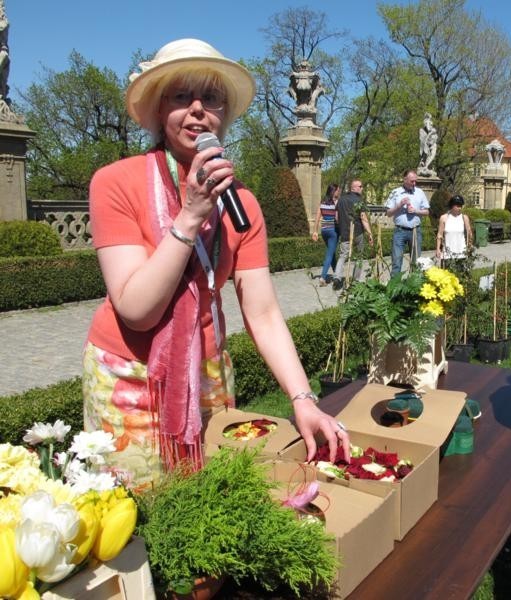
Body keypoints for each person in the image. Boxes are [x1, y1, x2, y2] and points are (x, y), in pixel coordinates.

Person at [83, 39, 349, 491]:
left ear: (225, 114)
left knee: (210, 502)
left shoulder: (241, 202)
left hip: (206, 373)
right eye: (181, 97)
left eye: (212, 99)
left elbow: (262, 313)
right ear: (158, 109)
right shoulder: (115, 183)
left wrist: (303, 399)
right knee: (135, 516)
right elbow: (136, 309)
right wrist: (190, 216)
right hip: (130, 375)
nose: (198, 110)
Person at [385, 169, 430, 276]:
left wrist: (416, 211)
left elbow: (427, 212)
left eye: (415, 181)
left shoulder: (420, 192)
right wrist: (399, 205)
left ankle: (414, 287)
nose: (414, 184)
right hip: (400, 231)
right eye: (412, 181)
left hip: (415, 230)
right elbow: (388, 213)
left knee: (416, 261)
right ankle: (394, 288)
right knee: (396, 260)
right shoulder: (395, 192)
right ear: (404, 179)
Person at [333, 179, 373, 290]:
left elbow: (336, 218)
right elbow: (363, 218)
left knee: (343, 255)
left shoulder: (341, 199)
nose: (362, 188)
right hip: (358, 232)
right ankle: (355, 281)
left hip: (345, 232)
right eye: (360, 186)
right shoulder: (359, 200)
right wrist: (370, 233)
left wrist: (342, 225)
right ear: (354, 188)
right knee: (359, 256)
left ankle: (337, 277)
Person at [312, 183, 339, 286]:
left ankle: (337, 273)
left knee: (331, 253)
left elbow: (318, 217)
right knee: (329, 254)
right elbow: (337, 219)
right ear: (334, 191)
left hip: (324, 231)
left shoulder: (322, 202)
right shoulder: (336, 203)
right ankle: (323, 278)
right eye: (337, 190)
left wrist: (315, 231)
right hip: (333, 231)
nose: (339, 192)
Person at [435, 194, 472, 264]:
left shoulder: (464, 218)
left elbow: (469, 233)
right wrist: (438, 249)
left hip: (461, 253)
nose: (459, 208)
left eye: (461, 206)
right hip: (447, 254)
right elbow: (439, 235)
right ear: (452, 206)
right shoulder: (444, 218)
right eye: (457, 206)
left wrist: (470, 247)